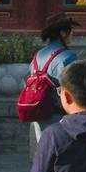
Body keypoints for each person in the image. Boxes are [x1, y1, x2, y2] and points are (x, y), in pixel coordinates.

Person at [29, 15, 78, 152]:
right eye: (71, 30)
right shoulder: (68, 56)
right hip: (60, 117)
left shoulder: (38, 55)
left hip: (38, 114)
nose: (73, 34)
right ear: (63, 33)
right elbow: (74, 89)